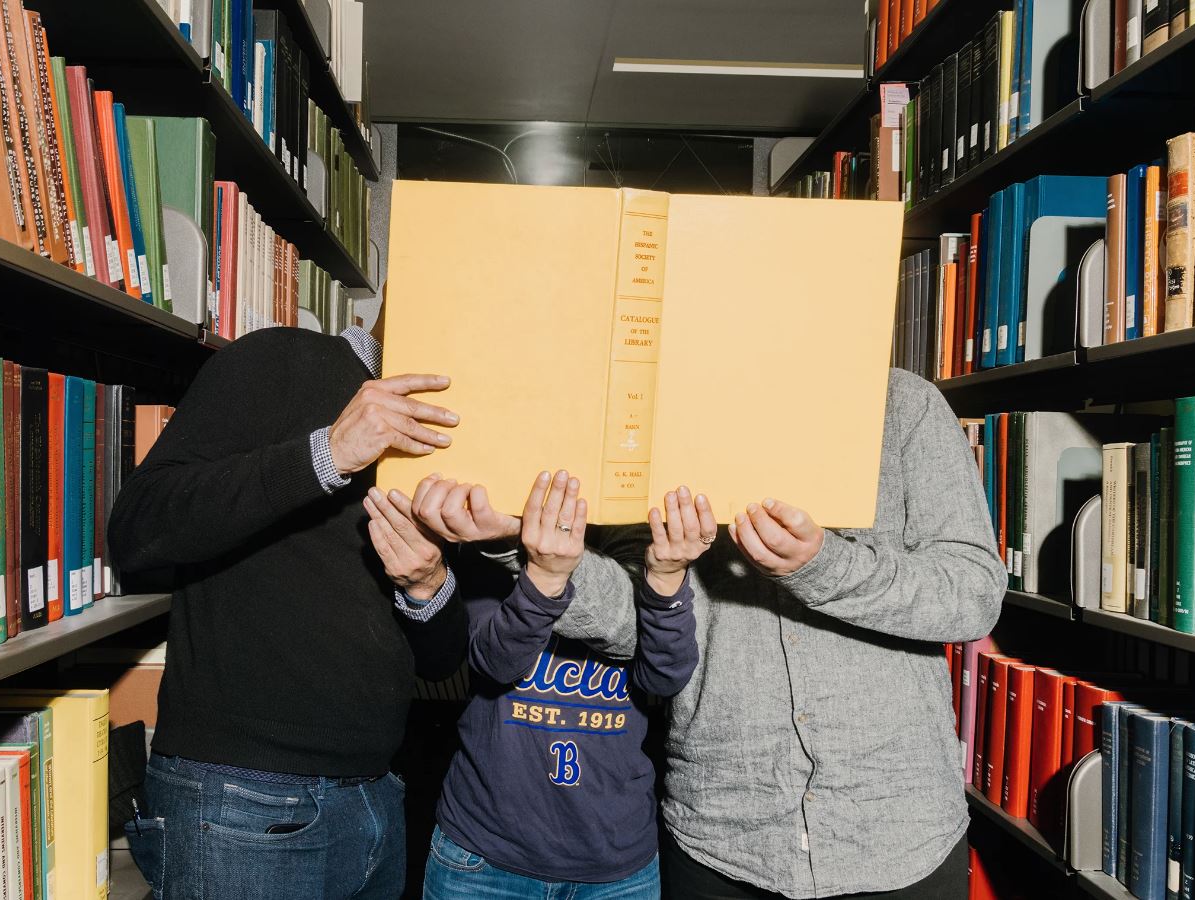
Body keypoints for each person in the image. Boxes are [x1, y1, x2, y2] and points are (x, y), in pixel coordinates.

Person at [413, 368, 1006, 899]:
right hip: (720, 836)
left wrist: (821, 564)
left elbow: (973, 597)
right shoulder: (650, 420)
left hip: (898, 837)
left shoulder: (902, 405)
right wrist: (517, 543)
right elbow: (636, 624)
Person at [107, 314, 467, 900]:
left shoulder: (459, 415)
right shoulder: (275, 359)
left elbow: (442, 659)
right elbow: (138, 530)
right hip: (237, 800)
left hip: (379, 795)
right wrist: (327, 453)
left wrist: (428, 583)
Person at [367, 471, 709, 899]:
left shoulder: (642, 543)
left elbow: (666, 675)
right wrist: (543, 579)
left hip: (615, 864)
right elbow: (494, 664)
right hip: (484, 859)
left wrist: (667, 578)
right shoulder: (489, 537)